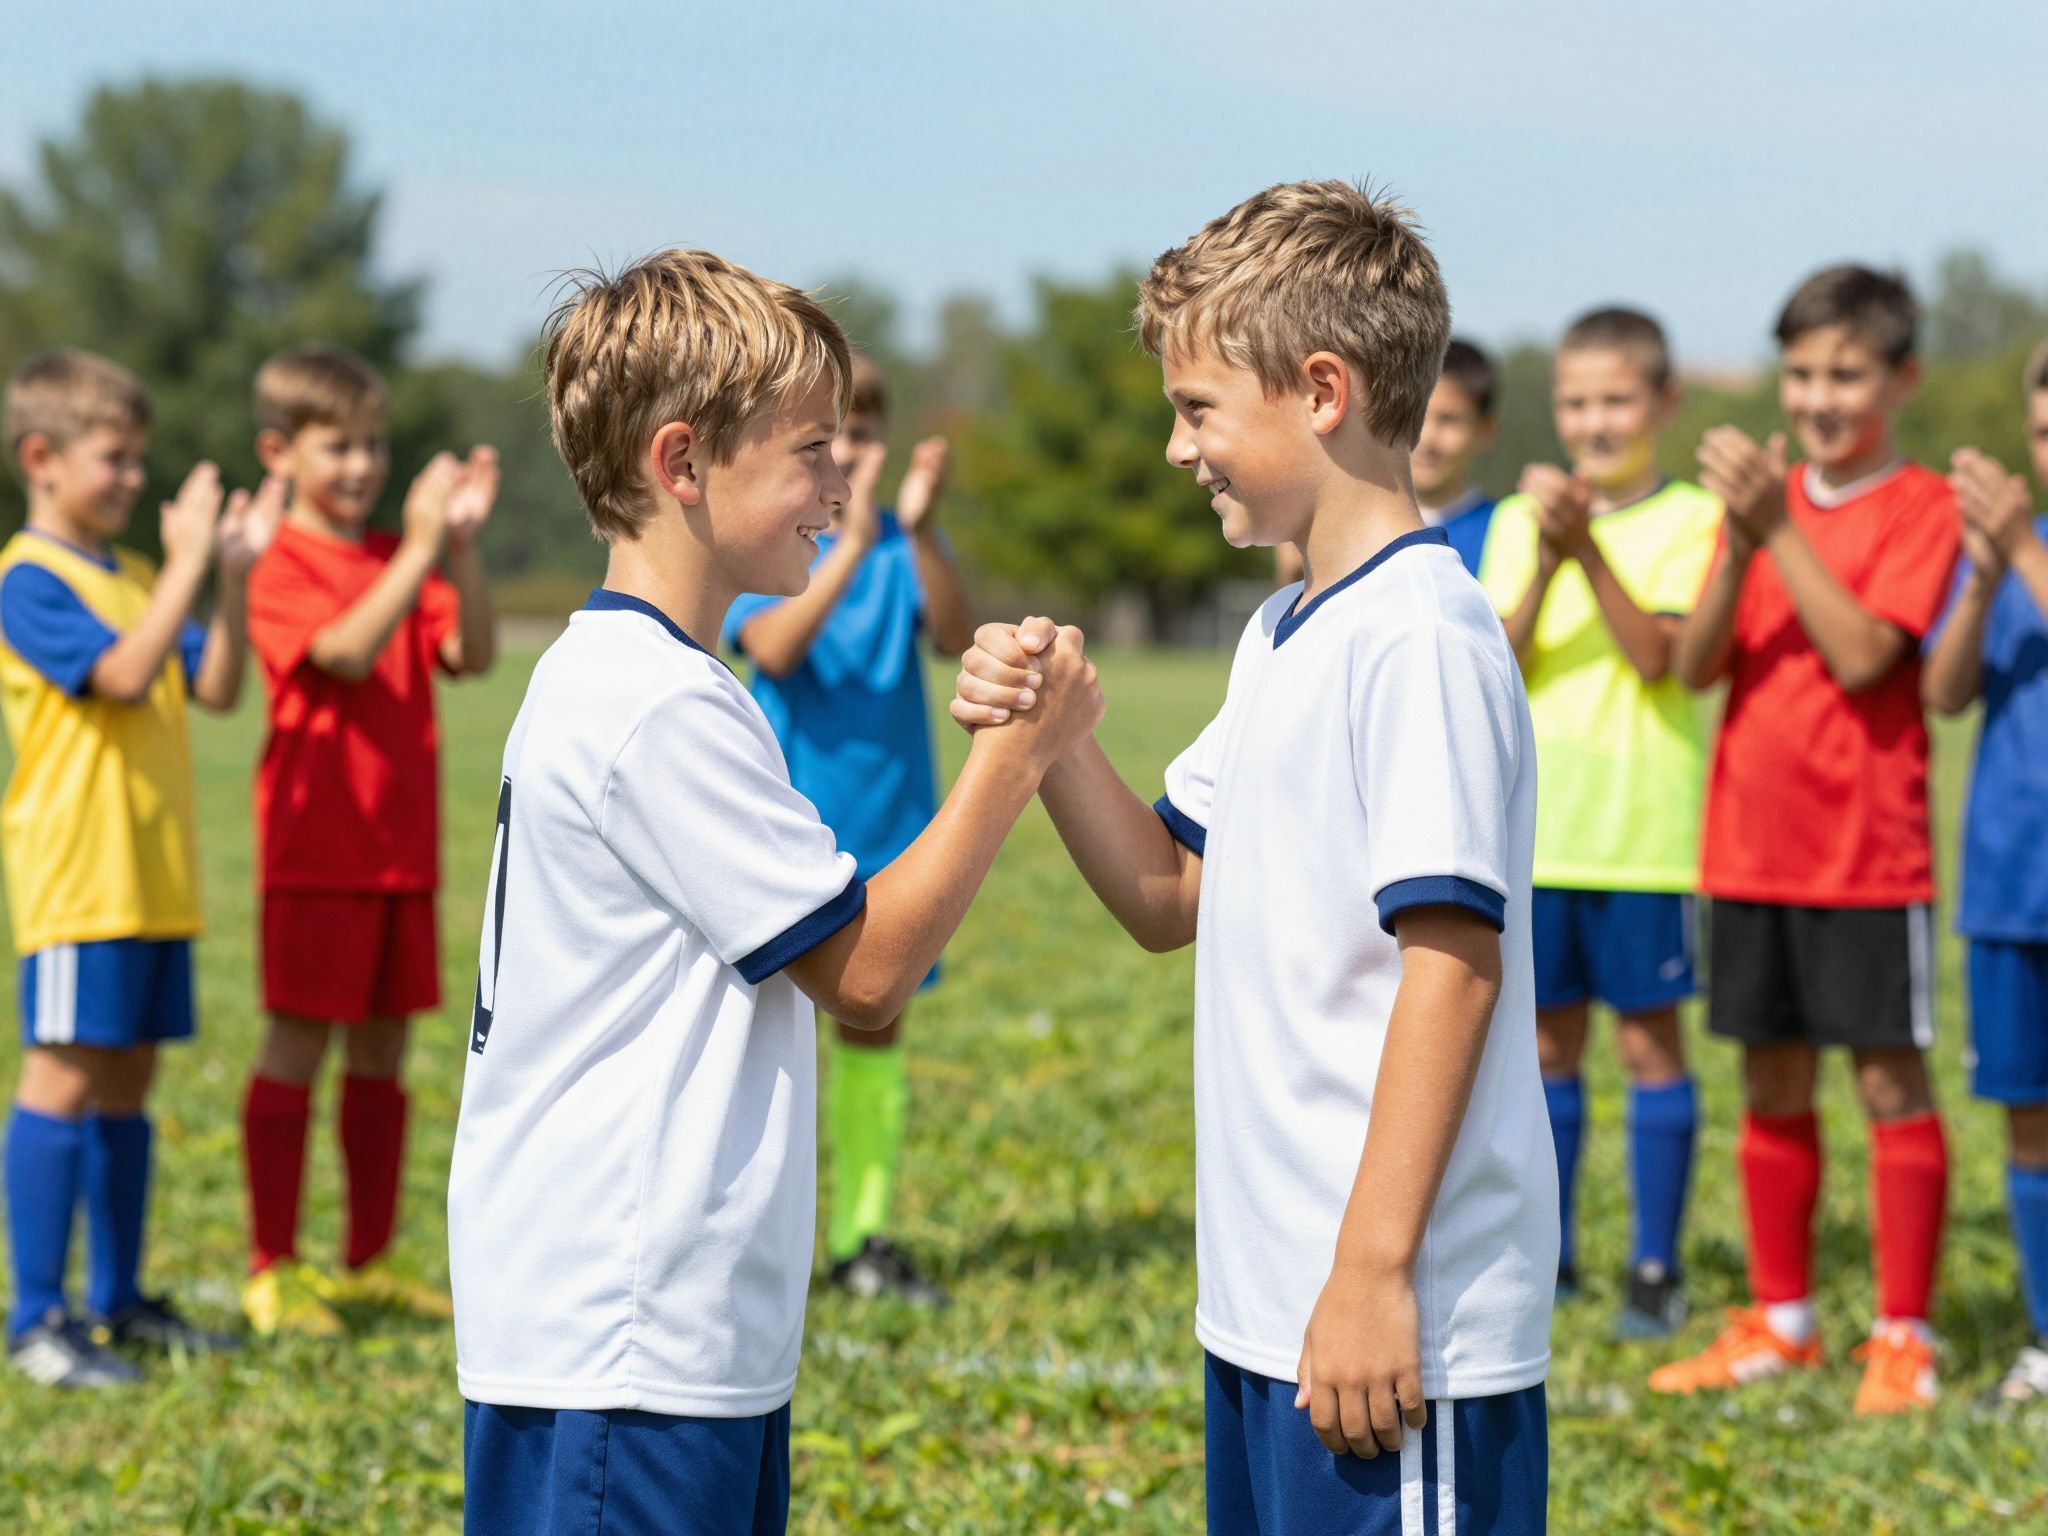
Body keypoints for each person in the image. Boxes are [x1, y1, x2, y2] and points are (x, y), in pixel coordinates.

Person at [447, 248, 1102, 1535]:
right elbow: (863, 973)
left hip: (654, 1328)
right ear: (682, 465)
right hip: (623, 1339)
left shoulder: (654, 683)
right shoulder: (654, 706)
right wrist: (1014, 758)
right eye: (810, 450)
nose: (838, 482)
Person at [954, 180, 1553, 1534]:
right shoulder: (1286, 627)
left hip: (1395, 1325)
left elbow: (1451, 968)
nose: (1179, 448)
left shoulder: (1421, 637)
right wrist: (1052, 741)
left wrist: (1374, 1271)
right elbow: (1173, 896)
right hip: (1273, 1303)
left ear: (1323, 390)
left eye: (1198, 407)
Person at [1655, 265, 1960, 1415]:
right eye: (1799, 372)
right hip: (1745, 848)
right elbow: (1692, 666)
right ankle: (1781, 1320)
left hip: (1865, 856)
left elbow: (1866, 656)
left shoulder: (1918, 507)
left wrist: (1776, 528)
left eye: (1845, 373)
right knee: (1768, 1077)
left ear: (1899, 379)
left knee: (1886, 1080)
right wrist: (1740, 541)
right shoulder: (1763, 510)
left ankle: (1902, 1334)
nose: (1818, 396)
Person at [1, 349, 276, 1385]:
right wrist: (187, 564)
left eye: (135, 459)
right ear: (42, 457)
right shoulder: (29, 577)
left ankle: (118, 1301)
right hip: (82, 876)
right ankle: (38, 1320)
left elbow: (212, 683)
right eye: (113, 460)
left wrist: (230, 580)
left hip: (153, 877)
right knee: (64, 1074)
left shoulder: (128, 576)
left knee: (128, 1080)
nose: (130, 479)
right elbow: (119, 673)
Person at [239, 345, 499, 1336]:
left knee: (384, 1051)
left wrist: (458, 552)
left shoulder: (403, 551)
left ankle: (369, 1257)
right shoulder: (277, 563)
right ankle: (274, 1265)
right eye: (336, 445)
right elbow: (343, 652)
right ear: (280, 450)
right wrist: (422, 551)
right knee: (298, 1044)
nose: (360, 465)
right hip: (314, 852)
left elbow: (471, 653)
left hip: (402, 851)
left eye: (374, 444)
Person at [1477, 308, 1721, 1337]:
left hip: (1645, 836)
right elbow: (1504, 656)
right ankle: (1557, 1252)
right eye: (1575, 401)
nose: (1593, 421)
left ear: (1660, 404)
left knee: (1650, 1049)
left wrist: (1587, 554)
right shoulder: (1513, 523)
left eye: (1616, 399)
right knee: (1544, 1049)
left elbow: (1659, 657)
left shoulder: (1693, 518)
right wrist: (1546, 554)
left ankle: (1653, 1267)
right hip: (1540, 834)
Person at [723, 353, 974, 1304]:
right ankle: (759, 1238)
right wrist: (857, 545)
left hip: (892, 830)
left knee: (878, 1028)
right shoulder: (776, 549)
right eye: (828, 443)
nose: (851, 459)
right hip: (784, 834)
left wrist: (918, 530)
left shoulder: (899, 548)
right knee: (764, 1032)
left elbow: (952, 633)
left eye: (864, 437)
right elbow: (775, 649)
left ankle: (862, 1235)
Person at [1920, 339, 2048, 1407]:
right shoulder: (2015, 552)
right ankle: (2045, 1338)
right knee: (2025, 1116)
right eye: (2044, 431)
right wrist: (1982, 575)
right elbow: (1947, 690)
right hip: (2013, 885)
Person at [1273, 336, 1501, 586]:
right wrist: (1293, 573)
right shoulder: (1346, 522)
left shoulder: (1505, 529)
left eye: (1449, 419)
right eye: (1417, 414)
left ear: (1485, 430)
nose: (1427, 438)